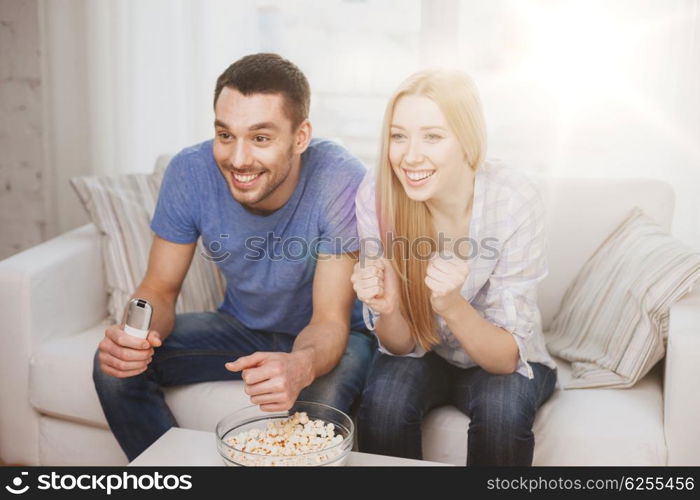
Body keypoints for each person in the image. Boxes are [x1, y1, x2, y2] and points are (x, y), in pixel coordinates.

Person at [93, 53, 374, 461]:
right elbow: (159, 288)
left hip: (337, 336)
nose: (238, 159)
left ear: (300, 137)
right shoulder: (189, 172)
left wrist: (300, 364)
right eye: (225, 135)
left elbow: (328, 319)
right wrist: (134, 336)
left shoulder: (339, 178)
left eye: (260, 138)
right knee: (113, 370)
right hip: (242, 326)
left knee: (317, 409)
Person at [351, 69, 558, 466]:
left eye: (432, 136)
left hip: (498, 353)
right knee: (384, 405)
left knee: (502, 412)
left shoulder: (513, 199)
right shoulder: (379, 195)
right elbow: (400, 345)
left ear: (467, 140)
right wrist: (388, 307)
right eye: (398, 136)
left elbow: (504, 360)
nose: (410, 156)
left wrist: (450, 304)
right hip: (424, 352)